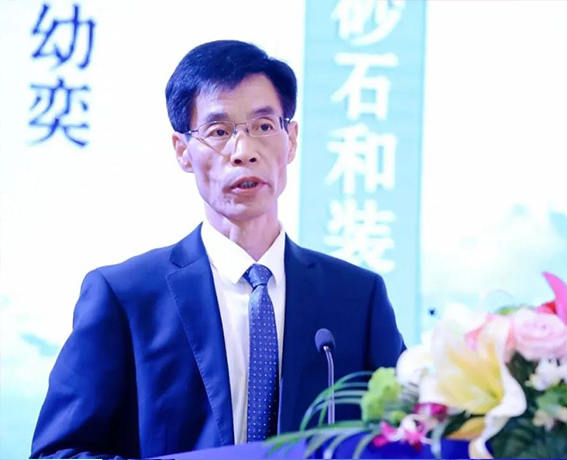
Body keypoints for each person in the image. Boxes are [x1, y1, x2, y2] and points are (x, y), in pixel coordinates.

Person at [31, 40, 405, 459]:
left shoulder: (357, 298)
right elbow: (58, 452)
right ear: (182, 151)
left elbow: (413, 437)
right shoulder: (126, 298)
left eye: (264, 126)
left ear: (292, 139)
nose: (244, 152)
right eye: (219, 132)